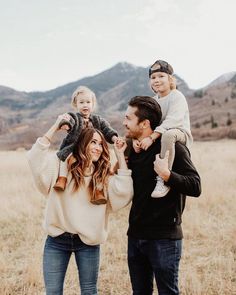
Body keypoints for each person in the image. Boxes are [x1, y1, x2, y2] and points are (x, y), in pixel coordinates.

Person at [27, 114, 133, 295]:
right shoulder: (61, 168)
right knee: (52, 291)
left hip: (88, 242)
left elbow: (124, 192)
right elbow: (35, 159)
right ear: (82, 143)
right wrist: (55, 126)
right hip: (57, 240)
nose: (98, 147)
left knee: (89, 291)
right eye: (93, 142)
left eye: (100, 143)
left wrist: (119, 155)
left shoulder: (102, 177)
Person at [123, 95, 201, 295]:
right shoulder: (132, 149)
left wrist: (167, 175)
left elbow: (195, 186)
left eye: (128, 118)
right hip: (136, 235)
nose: (124, 123)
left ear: (145, 123)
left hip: (164, 238)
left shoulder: (171, 148)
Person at [134, 60, 193, 198]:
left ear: (170, 79)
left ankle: (163, 179)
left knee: (168, 135)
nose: (157, 80)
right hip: (162, 132)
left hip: (179, 132)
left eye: (161, 76)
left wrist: (151, 137)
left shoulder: (177, 96)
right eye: (153, 78)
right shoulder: (153, 101)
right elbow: (148, 123)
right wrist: (138, 138)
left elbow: (173, 120)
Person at [54, 85, 120, 205]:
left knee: (102, 165)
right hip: (74, 148)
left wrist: (115, 138)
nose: (85, 105)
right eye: (81, 102)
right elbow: (69, 121)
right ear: (76, 104)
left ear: (93, 104)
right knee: (65, 158)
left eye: (88, 102)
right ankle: (62, 178)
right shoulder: (75, 117)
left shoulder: (98, 120)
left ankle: (98, 190)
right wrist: (66, 124)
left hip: (91, 150)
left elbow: (107, 130)